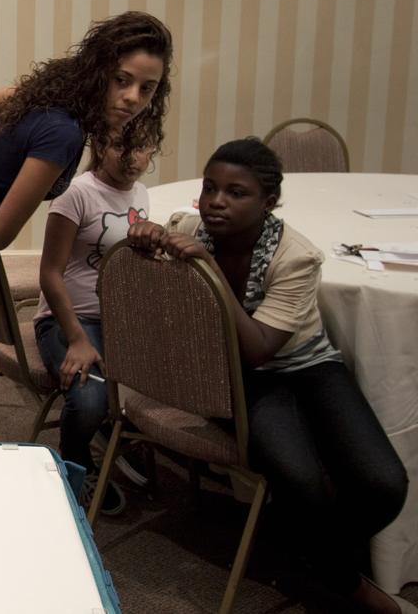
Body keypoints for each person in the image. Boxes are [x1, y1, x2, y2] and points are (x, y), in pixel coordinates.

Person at [128, 138, 410, 614]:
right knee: (299, 479)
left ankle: (312, 560)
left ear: (269, 202)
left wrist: (208, 267)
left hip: (304, 366)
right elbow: (145, 245)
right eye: (211, 188)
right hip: (235, 378)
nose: (217, 201)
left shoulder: (296, 257)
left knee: (384, 483)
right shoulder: (190, 225)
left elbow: (259, 348)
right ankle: (343, 581)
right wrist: (143, 233)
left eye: (236, 193)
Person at [0, 10, 173, 440]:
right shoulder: (65, 130)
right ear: (98, 69)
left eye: (148, 88)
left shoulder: (47, 94)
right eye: (121, 80)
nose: (133, 98)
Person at [34, 135, 154, 515]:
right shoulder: (75, 194)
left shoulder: (142, 194)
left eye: (143, 147)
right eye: (123, 147)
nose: (133, 158)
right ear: (101, 147)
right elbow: (50, 274)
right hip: (67, 318)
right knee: (87, 400)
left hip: (120, 320)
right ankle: (75, 464)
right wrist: (77, 339)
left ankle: (116, 435)